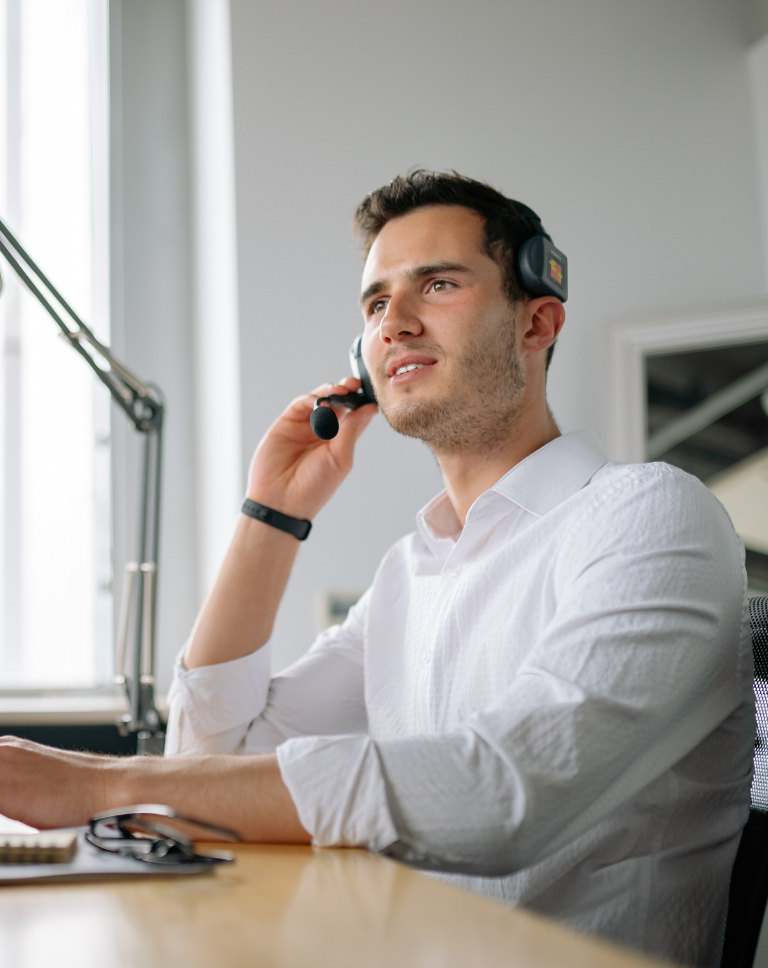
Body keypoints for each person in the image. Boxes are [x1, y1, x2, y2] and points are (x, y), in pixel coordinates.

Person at [0, 171, 753, 967]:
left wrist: (98, 788)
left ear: (537, 322)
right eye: (373, 303)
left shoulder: (650, 516)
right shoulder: (414, 571)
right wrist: (271, 517)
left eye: (437, 284)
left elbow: (502, 797)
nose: (393, 323)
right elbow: (211, 754)